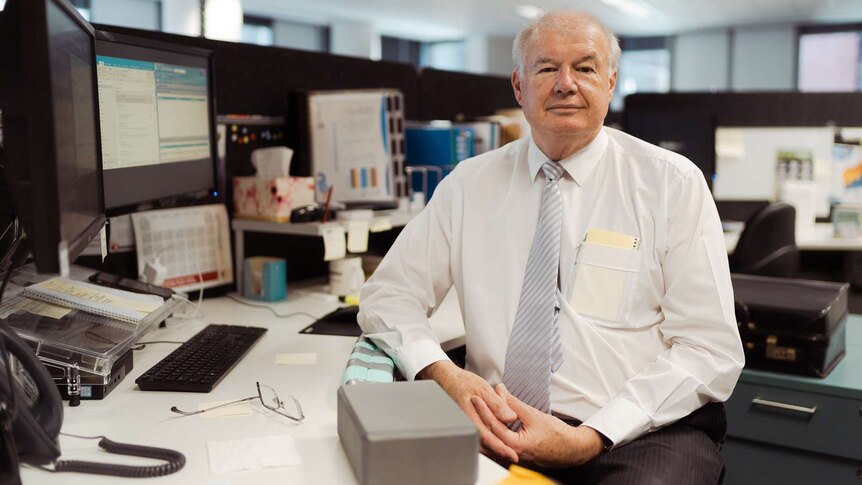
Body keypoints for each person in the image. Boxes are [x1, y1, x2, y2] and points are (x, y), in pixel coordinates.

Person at [358, 9, 744, 484]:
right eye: (546, 68)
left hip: (636, 430)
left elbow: (709, 348)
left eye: (584, 67)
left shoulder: (671, 184)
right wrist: (444, 373)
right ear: (519, 86)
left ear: (610, 82)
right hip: (500, 422)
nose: (566, 84)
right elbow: (388, 295)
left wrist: (590, 436)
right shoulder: (468, 185)